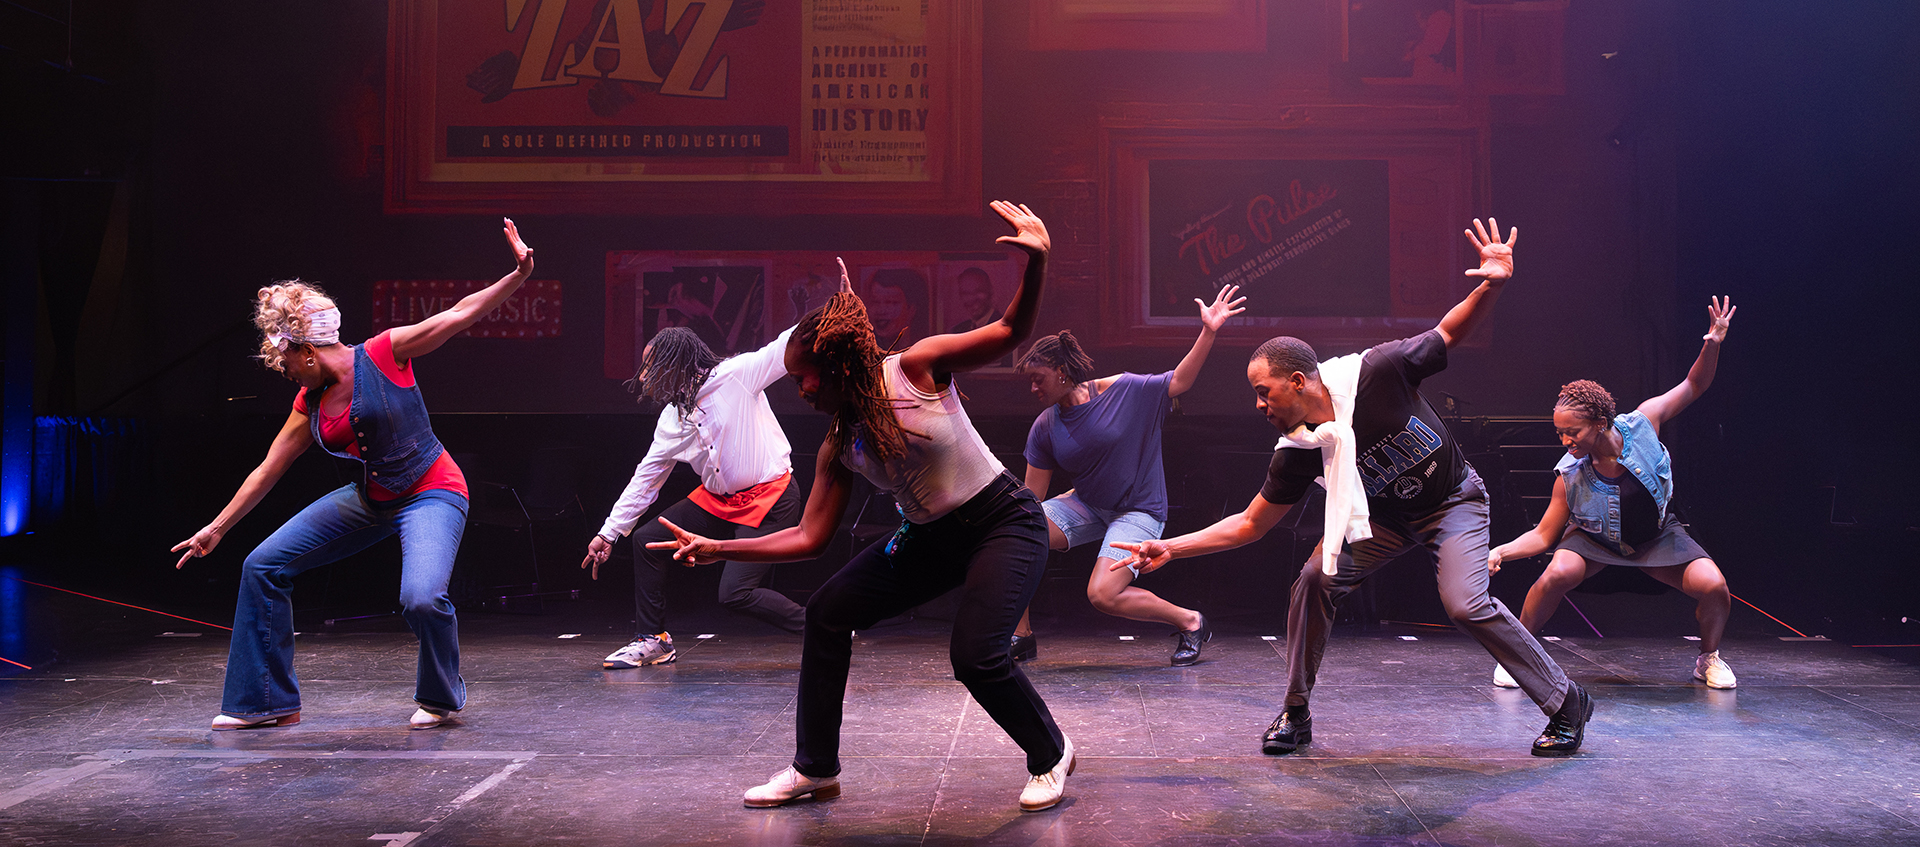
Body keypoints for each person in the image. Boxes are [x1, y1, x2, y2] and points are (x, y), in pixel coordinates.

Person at [650, 201, 1075, 812]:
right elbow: (808, 536)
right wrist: (721, 547)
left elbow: (1010, 331)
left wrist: (1035, 264)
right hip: (929, 537)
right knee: (826, 612)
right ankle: (815, 767)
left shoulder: (917, 369)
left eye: (806, 379)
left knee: (976, 656)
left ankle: (1050, 752)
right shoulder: (837, 444)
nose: (800, 391)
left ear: (839, 366)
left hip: (1001, 524)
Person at [1116, 219, 1596, 758]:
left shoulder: (1376, 371)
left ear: (1298, 382)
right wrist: (1171, 546)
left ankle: (1566, 701)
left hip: (1451, 500)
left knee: (1463, 603)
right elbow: (1251, 523)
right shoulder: (1298, 449)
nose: (1258, 405)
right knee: (1312, 582)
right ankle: (1296, 713)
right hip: (1379, 519)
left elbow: (1448, 333)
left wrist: (1493, 283)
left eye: (1263, 392)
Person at [172, 219, 535, 731]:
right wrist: (217, 528)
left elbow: (457, 315)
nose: (284, 370)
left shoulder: (385, 353)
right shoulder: (309, 399)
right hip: (369, 498)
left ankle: (440, 695)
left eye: (286, 360)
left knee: (422, 598)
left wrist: (518, 274)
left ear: (307, 350)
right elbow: (268, 468)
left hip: (432, 491)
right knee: (262, 567)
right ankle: (265, 702)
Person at [1488, 297, 1739, 689]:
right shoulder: (1569, 473)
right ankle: (1521, 656)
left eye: (1574, 431)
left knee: (1715, 586)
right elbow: (1543, 536)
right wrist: (1501, 550)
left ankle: (1708, 658)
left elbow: (1694, 384)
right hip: (1595, 541)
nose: (1566, 440)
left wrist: (1713, 342)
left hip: (1655, 538)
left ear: (1601, 422)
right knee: (1557, 572)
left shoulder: (1643, 423)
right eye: (1560, 433)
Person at [1010, 284, 1246, 666]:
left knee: (1103, 594)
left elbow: (1179, 383)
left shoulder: (1124, 390)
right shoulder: (1044, 426)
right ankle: (1021, 636)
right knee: (1017, 532)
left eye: (1038, 379)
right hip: (1088, 504)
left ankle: (1191, 621)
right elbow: (1029, 500)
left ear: (1061, 372)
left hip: (1138, 511)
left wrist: (1209, 331)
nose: (1033, 388)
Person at [580, 312, 813, 669]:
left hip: (771, 498)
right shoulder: (672, 419)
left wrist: (836, 309)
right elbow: (646, 479)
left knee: (735, 593)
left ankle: (824, 627)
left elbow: (786, 343)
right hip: (719, 501)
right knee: (647, 540)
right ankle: (653, 640)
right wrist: (608, 534)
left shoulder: (736, 376)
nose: (644, 377)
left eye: (650, 367)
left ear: (676, 364)